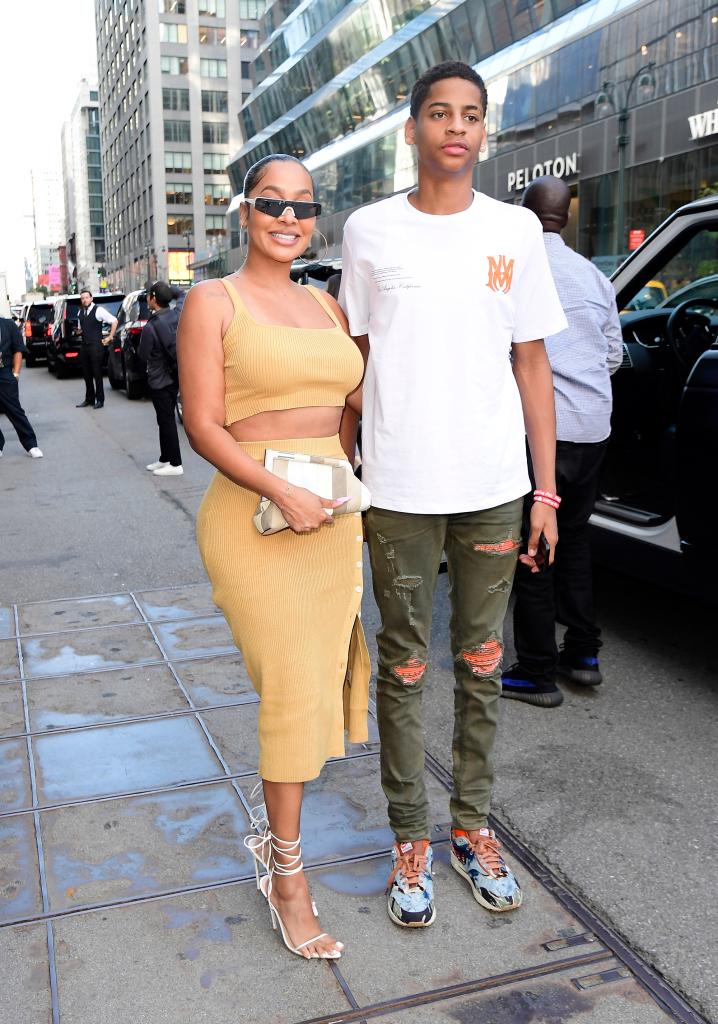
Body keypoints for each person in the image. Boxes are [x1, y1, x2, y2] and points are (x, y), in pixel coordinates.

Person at [339, 61, 567, 928]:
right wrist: (333, 472)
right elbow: (352, 367)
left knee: (480, 664)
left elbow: (533, 364)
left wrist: (546, 492)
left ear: (485, 129)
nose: (457, 128)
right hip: (395, 488)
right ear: (413, 128)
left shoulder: (514, 231)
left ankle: (471, 827)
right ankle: (409, 835)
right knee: (401, 669)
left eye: (472, 114)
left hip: (493, 488)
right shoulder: (368, 232)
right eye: (440, 113)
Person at [177, 154, 368, 961]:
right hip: (253, 518)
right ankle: (287, 876)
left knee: (316, 682)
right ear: (243, 214)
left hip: (329, 518)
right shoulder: (210, 301)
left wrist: (337, 473)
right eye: (270, 204)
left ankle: (275, 845)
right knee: (291, 689)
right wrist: (281, 490)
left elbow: (353, 400)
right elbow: (203, 424)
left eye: (301, 206)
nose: (288, 219)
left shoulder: (325, 305)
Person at [501, 176, 623, 708]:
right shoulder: (595, 276)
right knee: (572, 537)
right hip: (594, 427)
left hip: (542, 430)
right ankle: (583, 653)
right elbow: (615, 355)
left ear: (527, 217)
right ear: (566, 218)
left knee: (534, 546)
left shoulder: (514, 273)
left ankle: (535, 671)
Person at [139, 281, 183, 476]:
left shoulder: (151, 327)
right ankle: (165, 458)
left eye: (149, 295)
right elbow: (181, 294)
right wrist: (164, 290)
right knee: (164, 420)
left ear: (153, 299)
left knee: (166, 421)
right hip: (176, 376)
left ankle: (175, 463)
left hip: (159, 380)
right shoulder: (177, 314)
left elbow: (142, 355)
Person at [0, 315, 43, 459]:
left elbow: (18, 349)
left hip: (4, 372)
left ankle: (31, 444)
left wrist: (16, 373)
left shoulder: (8, 325)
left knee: (14, 410)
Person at [75, 289, 118, 409]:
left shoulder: (98, 310)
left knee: (97, 373)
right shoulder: (80, 313)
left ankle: (100, 400)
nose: (84, 300)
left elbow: (114, 321)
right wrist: (77, 331)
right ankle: (89, 399)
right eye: (82, 298)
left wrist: (110, 337)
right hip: (84, 346)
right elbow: (81, 328)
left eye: (87, 297)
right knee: (86, 374)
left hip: (96, 346)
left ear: (91, 298)